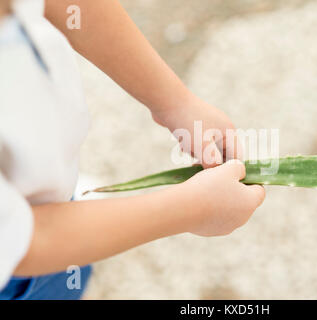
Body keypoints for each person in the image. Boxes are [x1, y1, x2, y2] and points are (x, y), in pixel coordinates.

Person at [0, 0, 265, 300]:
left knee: (71, 249)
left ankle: (70, 211)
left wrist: (174, 102)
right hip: (15, 274)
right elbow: (26, 241)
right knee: (56, 277)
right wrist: (195, 208)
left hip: (38, 192)